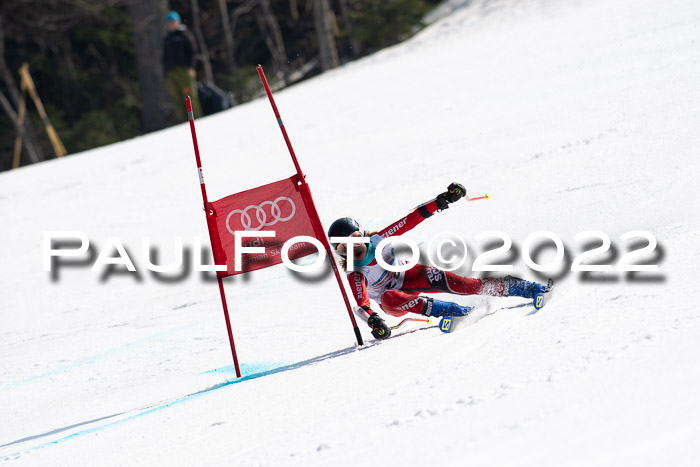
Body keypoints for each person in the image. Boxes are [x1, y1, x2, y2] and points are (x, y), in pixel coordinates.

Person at [327, 183, 550, 340]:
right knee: (389, 295)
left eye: (354, 238)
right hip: (394, 303)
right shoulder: (355, 273)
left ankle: (528, 288)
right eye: (343, 246)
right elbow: (362, 304)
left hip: (410, 276)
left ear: (362, 234)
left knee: (467, 285)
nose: (352, 246)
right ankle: (453, 311)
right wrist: (375, 322)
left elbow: (410, 220)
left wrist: (442, 200)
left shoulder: (379, 240)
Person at [163, 11, 203, 122]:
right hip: (172, 72)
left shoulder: (184, 35)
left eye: (172, 22)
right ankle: (184, 121)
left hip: (185, 70)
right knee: (177, 98)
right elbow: (165, 56)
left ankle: (197, 119)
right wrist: (166, 72)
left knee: (189, 96)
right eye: (168, 23)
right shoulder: (168, 38)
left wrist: (191, 67)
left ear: (177, 22)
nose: (170, 24)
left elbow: (193, 51)